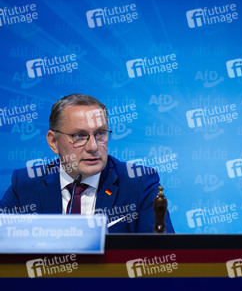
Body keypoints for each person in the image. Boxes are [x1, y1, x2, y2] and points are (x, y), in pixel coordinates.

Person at [0, 94, 175, 233]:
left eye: (100, 134)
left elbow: (161, 256)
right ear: (53, 141)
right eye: (79, 136)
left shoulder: (139, 183)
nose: (93, 147)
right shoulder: (26, 184)